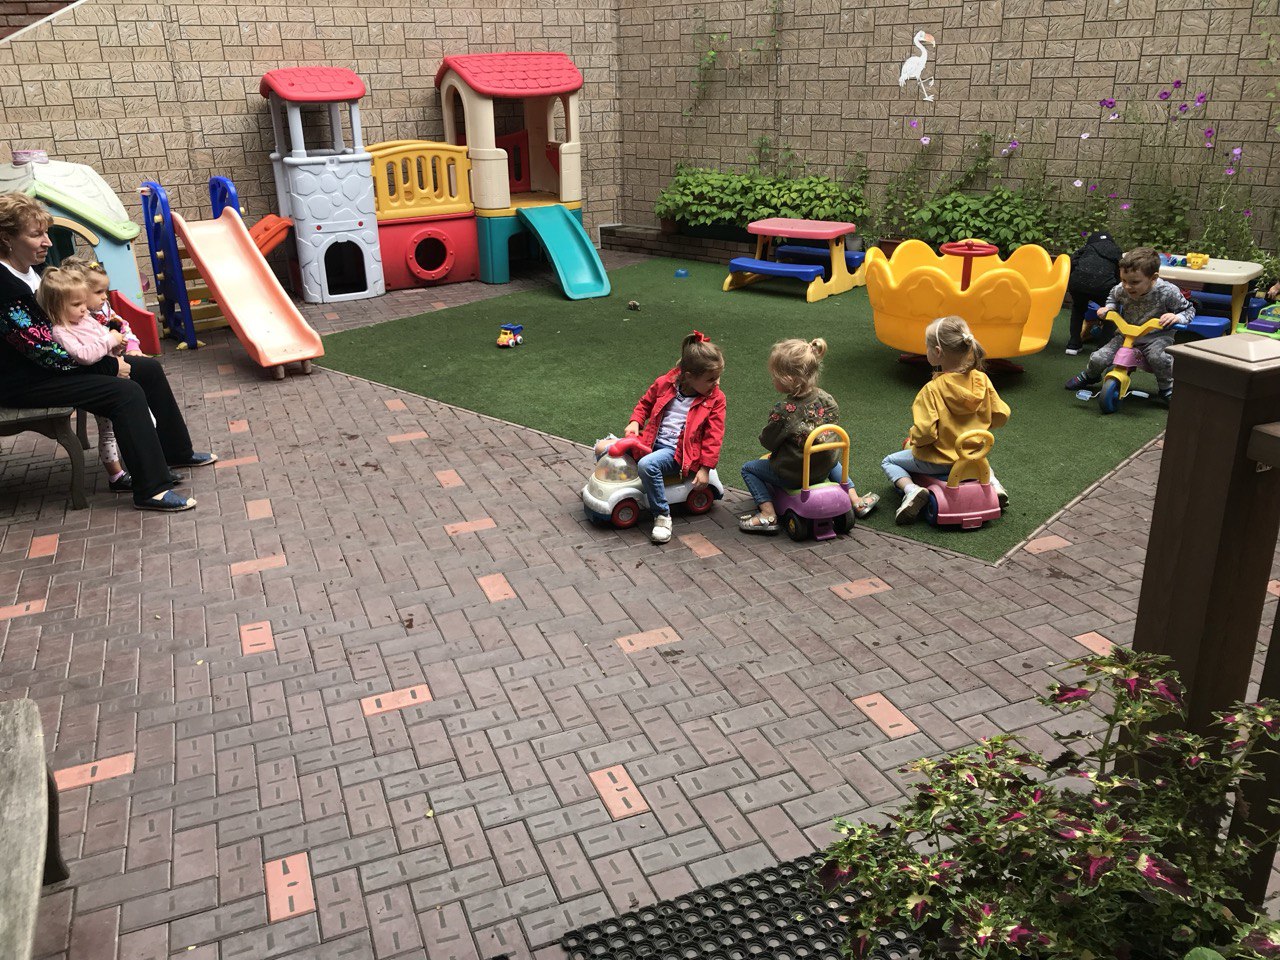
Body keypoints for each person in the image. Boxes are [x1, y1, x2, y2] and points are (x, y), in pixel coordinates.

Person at [0, 192, 215, 511]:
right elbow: (46, 354)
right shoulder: (5, 288)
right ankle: (151, 489)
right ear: (6, 238)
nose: (47, 241)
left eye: (46, 232)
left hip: (61, 365)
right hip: (26, 381)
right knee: (124, 393)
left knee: (148, 369)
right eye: (36, 235)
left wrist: (111, 345)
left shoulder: (36, 272)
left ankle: (175, 452)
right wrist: (110, 367)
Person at [738, 337, 879, 535]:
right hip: (823, 465)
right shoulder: (827, 399)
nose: (772, 380)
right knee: (833, 460)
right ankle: (856, 501)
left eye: (775, 376)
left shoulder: (784, 410)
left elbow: (768, 442)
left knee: (749, 469)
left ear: (789, 379)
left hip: (794, 473)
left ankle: (767, 514)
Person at [883, 316, 1010, 525]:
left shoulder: (932, 390)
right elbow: (1001, 414)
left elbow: (926, 433)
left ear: (937, 352)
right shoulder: (982, 380)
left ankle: (912, 490)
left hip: (939, 461)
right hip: (972, 457)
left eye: (927, 346)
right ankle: (994, 485)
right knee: (982, 463)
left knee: (889, 461)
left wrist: (914, 439)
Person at [618, 330, 725, 544]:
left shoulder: (715, 399)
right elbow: (645, 404)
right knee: (609, 447)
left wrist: (705, 468)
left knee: (648, 465)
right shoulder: (665, 383)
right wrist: (635, 421)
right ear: (689, 376)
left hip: (678, 453)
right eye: (711, 379)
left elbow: (714, 436)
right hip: (651, 441)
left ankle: (662, 515)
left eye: (717, 377)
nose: (717, 383)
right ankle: (604, 489)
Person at [35, 266, 135, 491]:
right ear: (56, 306)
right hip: (101, 382)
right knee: (108, 431)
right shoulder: (61, 331)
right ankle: (116, 475)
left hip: (114, 375)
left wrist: (117, 344)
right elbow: (85, 355)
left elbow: (104, 339)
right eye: (76, 304)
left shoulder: (86, 319)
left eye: (83, 302)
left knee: (138, 422)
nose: (83, 308)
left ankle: (142, 460)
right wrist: (110, 340)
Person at [1064, 246, 1194, 404]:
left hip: (1156, 337)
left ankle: (1166, 387)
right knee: (1099, 357)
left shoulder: (1167, 292)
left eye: (1134, 282)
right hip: (1126, 335)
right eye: (1124, 280)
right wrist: (1109, 308)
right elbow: (1112, 297)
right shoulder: (1121, 289)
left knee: (1159, 358)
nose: (1127, 286)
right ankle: (1090, 375)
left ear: (1153, 278)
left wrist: (1176, 317)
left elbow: (1188, 310)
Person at [59, 255, 145, 356]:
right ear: (79, 291)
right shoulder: (77, 318)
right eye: (99, 292)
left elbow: (122, 325)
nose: (105, 297)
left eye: (105, 291)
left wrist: (132, 346)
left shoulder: (103, 308)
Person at [1065, 230, 1122, 355]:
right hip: (1104, 287)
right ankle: (1103, 347)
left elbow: (1072, 262)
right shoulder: (1116, 251)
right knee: (1110, 312)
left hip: (1078, 285)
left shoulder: (1085, 249)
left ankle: (1073, 344)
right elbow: (1118, 273)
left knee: (1078, 309)